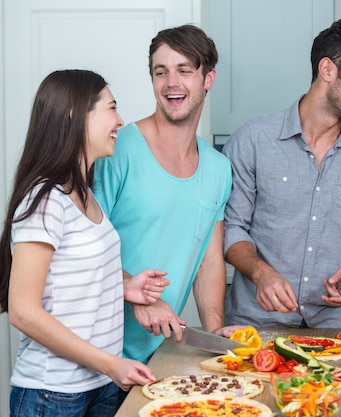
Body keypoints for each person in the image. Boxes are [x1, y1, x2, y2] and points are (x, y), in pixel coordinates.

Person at [0, 70, 168, 417]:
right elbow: (23, 311)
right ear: (77, 115)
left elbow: (71, 275)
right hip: (53, 394)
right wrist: (110, 364)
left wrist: (125, 285)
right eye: (111, 109)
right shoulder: (45, 200)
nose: (120, 121)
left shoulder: (83, 194)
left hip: (98, 387)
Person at [223, 18, 341, 328]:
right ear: (327, 70)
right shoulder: (253, 139)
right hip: (257, 323)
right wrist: (262, 273)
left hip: (335, 326)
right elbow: (232, 227)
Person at [92, 24, 232, 365]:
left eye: (184, 70)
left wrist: (214, 330)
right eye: (161, 72)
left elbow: (209, 260)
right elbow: (84, 248)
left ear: (208, 79)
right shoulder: (117, 149)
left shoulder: (218, 168)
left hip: (156, 355)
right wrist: (139, 296)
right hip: (96, 353)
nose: (172, 83)